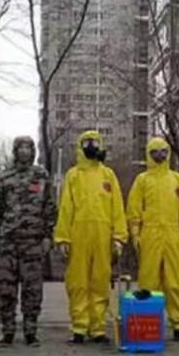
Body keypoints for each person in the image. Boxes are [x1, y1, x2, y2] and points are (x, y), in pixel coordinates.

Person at [54, 130, 127, 344]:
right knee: (78, 282)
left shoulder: (108, 175)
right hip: (78, 234)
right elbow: (66, 207)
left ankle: (98, 328)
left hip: (103, 235)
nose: (92, 146)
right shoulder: (73, 175)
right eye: (87, 142)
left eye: (95, 142)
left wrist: (118, 237)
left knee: (100, 280)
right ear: (80, 146)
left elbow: (117, 207)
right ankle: (79, 326)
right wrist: (63, 238)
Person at [126, 137, 179, 342]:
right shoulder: (142, 180)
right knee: (149, 281)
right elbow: (134, 209)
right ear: (148, 154)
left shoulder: (177, 180)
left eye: (163, 151)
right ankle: (149, 325)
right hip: (150, 234)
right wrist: (135, 233)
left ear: (168, 153)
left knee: (175, 282)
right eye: (155, 152)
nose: (159, 155)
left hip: (173, 235)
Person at [0, 136, 56, 347]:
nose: (25, 151)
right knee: (6, 289)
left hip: (33, 242)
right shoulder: (4, 177)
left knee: (32, 289)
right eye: (21, 148)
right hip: (8, 242)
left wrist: (48, 236)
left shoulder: (41, 176)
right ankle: (7, 331)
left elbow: (49, 207)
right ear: (15, 151)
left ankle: (30, 331)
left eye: (28, 148)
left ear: (33, 151)